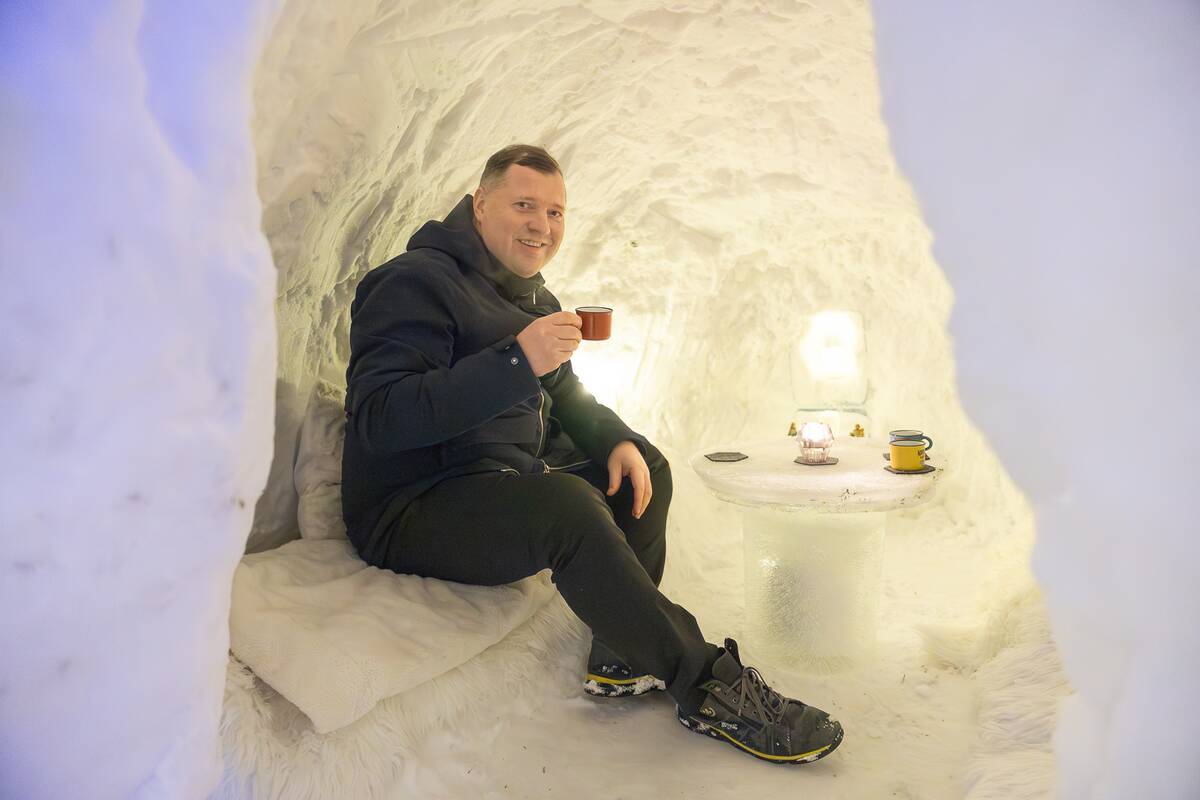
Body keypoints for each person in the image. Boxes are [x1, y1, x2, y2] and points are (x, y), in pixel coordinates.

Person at [340, 144, 843, 764]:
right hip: (413, 505)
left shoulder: (532, 297)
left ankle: (623, 654)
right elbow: (381, 419)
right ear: (480, 204)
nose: (541, 226)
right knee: (568, 506)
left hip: (496, 477)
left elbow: (567, 395)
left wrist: (616, 440)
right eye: (524, 205)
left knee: (642, 467)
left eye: (555, 212)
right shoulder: (414, 282)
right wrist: (517, 360)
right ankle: (706, 686)